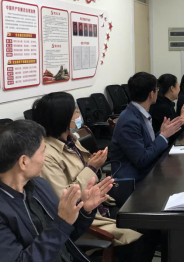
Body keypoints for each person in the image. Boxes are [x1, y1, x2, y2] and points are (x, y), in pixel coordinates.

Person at [0, 120, 113, 262]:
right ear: (24, 162)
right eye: (43, 152)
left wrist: (85, 211)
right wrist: (62, 223)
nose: (45, 158)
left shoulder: (38, 185)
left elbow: (64, 237)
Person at [33, 92, 154, 261]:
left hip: (101, 203)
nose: (79, 115)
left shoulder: (71, 140)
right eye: (75, 111)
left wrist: (93, 165)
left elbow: (87, 173)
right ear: (62, 118)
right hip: (85, 217)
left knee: (150, 222)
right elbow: (65, 197)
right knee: (141, 236)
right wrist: (91, 167)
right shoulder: (47, 155)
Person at [109, 72, 184, 184]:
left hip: (146, 173)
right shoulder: (129, 121)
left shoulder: (139, 113)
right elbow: (141, 160)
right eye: (157, 89)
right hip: (134, 181)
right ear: (151, 94)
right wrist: (163, 136)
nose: (158, 92)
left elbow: (147, 145)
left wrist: (162, 133)